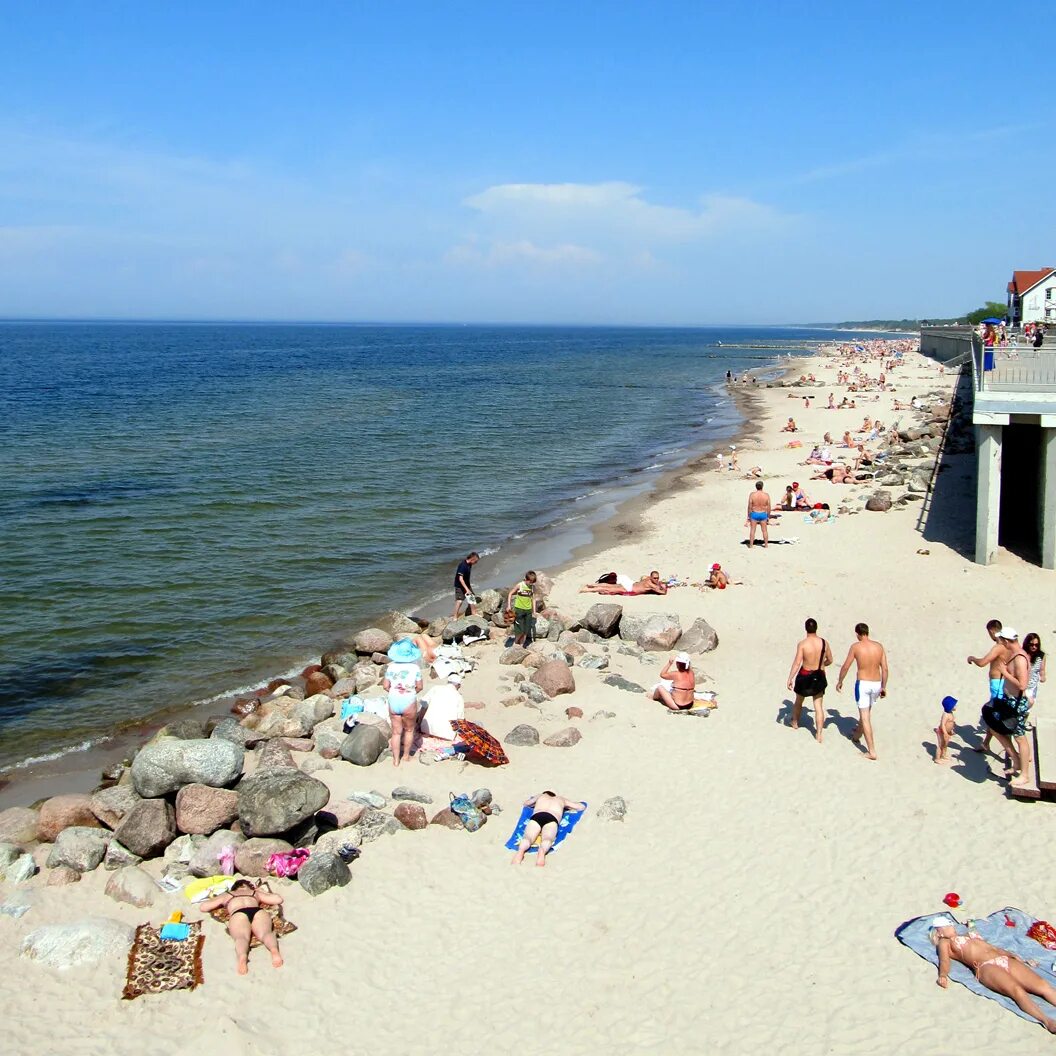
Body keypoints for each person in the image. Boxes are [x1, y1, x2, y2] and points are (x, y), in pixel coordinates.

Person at [929, 923, 1056, 1032]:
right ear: (939, 932)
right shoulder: (944, 942)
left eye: (949, 924)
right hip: (986, 967)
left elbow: (993, 948)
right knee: (1016, 991)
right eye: (945, 926)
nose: (950, 926)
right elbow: (944, 961)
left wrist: (1014, 956)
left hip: (1004, 959)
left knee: (1043, 985)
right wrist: (943, 975)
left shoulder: (966, 935)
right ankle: (1047, 1021)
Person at [198, 879, 285, 974]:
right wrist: (261, 891)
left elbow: (203, 907)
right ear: (247, 885)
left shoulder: (228, 894)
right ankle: (274, 951)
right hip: (257, 911)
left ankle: (242, 957)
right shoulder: (254, 892)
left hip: (238, 913)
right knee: (266, 933)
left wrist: (216, 899)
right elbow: (278, 899)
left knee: (241, 937)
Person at [835, 622, 889, 761]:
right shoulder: (879, 647)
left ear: (858, 634)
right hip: (876, 683)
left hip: (863, 683)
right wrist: (883, 686)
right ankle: (857, 735)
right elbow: (885, 668)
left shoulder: (856, 647)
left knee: (865, 717)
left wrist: (840, 681)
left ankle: (871, 751)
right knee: (865, 711)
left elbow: (846, 666)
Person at [988, 631, 1033, 787]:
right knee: (995, 727)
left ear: (1007, 641)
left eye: (1002, 641)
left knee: (1020, 737)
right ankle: (1015, 760)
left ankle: (1024, 775)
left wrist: (1005, 673)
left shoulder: (1020, 659)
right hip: (1009, 701)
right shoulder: (1015, 655)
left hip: (1016, 703)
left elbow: (1022, 685)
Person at [511, 791, 586, 868]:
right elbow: (581, 807)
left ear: (545, 793)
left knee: (528, 837)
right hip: (552, 818)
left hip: (537, 816)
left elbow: (526, 803)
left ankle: (520, 852)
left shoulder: (541, 796)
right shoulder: (561, 799)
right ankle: (542, 852)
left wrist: (535, 804)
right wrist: (566, 807)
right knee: (547, 839)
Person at [786, 618, 832, 742]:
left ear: (806, 628)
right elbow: (830, 660)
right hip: (819, 674)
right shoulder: (824, 643)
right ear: (816, 628)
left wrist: (790, 678)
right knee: (818, 706)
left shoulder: (803, 644)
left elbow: (797, 662)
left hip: (805, 675)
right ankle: (819, 733)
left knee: (799, 701)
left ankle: (795, 722)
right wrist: (822, 664)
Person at [967, 619, 1007, 755]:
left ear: (992, 631)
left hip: (997, 684)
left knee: (994, 716)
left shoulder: (998, 647)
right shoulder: (1009, 645)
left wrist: (973, 658)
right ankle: (986, 743)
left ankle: (1013, 753)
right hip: (1004, 682)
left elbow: (983, 662)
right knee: (994, 715)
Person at [383, 637, 423, 766]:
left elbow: (385, 686)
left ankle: (395, 760)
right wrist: (412, 692)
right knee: (409, 730)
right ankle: (405, 756)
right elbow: (420, 686)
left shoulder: (391, 667)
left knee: (396, 732)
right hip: (408, 699)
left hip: (394, 699)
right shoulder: (415, 668)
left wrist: (393, 691)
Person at [507, 570, 539, 646]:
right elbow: (510, 593)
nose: (531, 583)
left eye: (533, 582)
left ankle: (521, 645)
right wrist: (509, 605)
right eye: (530, 582)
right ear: (526, 579)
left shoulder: (532, 587)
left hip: (528, 610)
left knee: (526, 630)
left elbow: (533, 599)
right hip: (519, 609)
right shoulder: (520, 585)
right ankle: (515, 643)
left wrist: (534, 611)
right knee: (519, 629)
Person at [580, 570, 667, 596]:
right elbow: (663, 592)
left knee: (609, 586)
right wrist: (662, 585)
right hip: (629, 588)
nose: (656, 579)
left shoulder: (647, 579)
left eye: (657, 578)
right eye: (655, 578)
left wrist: (658, 582)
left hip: (630, 583)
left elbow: (642, 577)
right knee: (608, 588)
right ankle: (585, 590)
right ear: (651, 577)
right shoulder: (651, 585)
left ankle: (592, 585)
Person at [452, 552, 480, 618]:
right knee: (460, 601)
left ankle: (474, 613)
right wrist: (467, 589)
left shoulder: (469, 564)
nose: (476, 563)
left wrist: (468, 588)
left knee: (471, 597)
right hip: (459, 586)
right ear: (472, 559)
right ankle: (455, 616)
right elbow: (460, 579)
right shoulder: (463, 565)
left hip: (467, 584)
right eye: (476, 561)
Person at [745, 480, 772, 548]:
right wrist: (768, 516)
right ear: (762, 486)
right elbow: (769, 507)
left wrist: (748, 516)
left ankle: (751, 545)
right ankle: (766, 545)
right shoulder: (766, 495)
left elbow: (749, 506)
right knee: (765, 531)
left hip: (754, 513)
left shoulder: (752, 495)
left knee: (752, 530)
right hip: (763, 513)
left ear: (756, 487)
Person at [1024, 632, 1047, 707]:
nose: (1034, 647)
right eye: (1031, 645)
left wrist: (1043, 676)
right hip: (1021, 686)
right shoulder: (1022, 654)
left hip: (1032, 686)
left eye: (1036, 645)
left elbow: (1042, 669)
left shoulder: (1041, 656)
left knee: (1028, 707)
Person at [934, 695, 957, 765]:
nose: (956, 706)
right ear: (950, 706)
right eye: (954, 705)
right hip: (942, 732)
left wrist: (951, 730)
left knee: (945, 744)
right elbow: (943, 724)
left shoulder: (951, 713)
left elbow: (951, 723)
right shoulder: (945, 715)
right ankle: (937, 758)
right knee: (941, 745)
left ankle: (943, 755)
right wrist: (945, 733)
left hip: (948, 732)